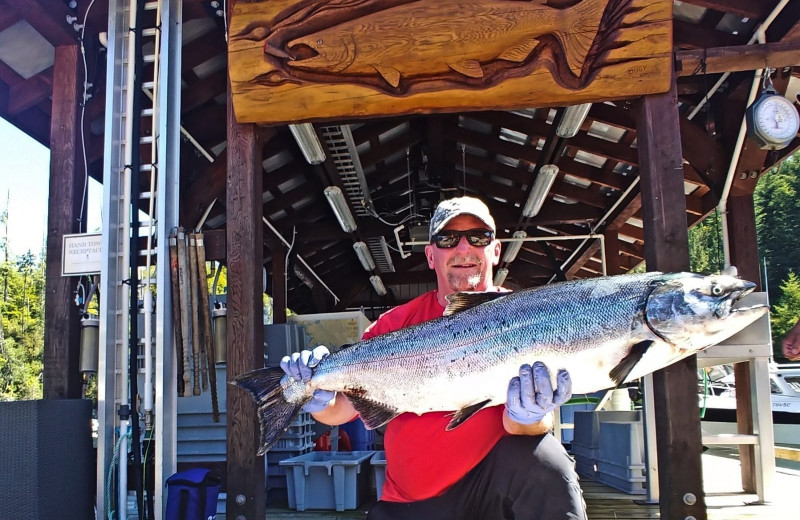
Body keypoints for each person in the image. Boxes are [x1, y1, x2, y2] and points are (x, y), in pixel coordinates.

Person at [281, 196, 586, 519]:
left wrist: (530, 416)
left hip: (494, 494)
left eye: (478, 237)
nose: (464, 248)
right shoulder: (392, 326)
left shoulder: (531, 315)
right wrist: (316, 396)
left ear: (495, 250)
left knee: (548, 458)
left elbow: (542, 424)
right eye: (448, 239)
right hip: (411, 503)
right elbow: (341, 410)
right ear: (430, 254)